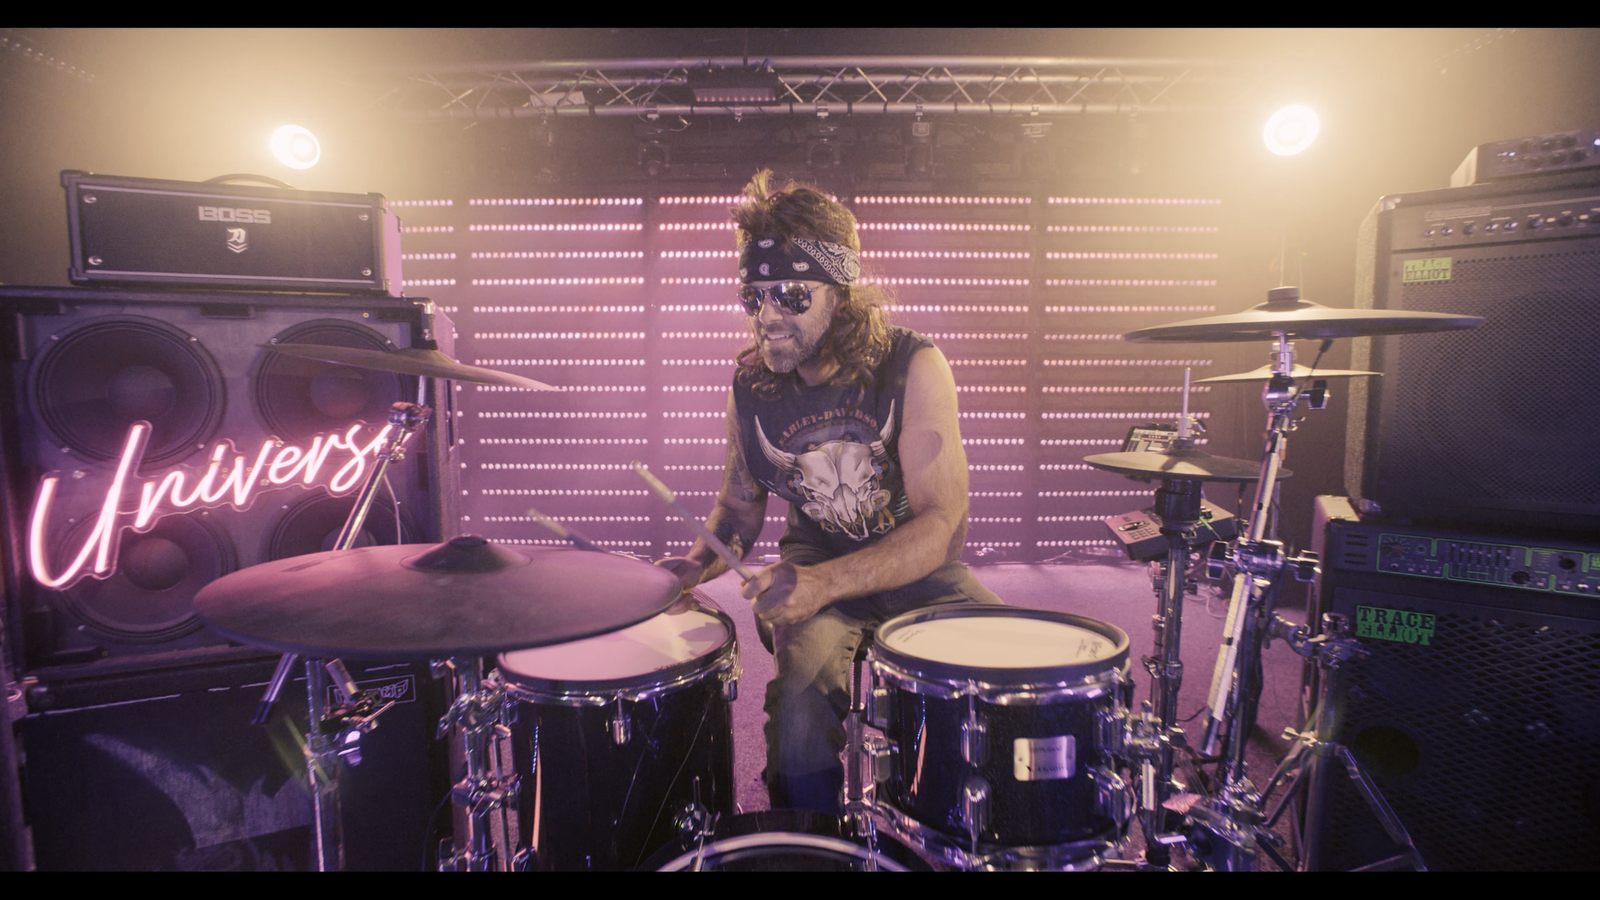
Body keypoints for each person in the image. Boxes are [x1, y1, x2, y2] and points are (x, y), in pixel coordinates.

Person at [657, 170, 1002, 814]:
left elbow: (941, 525)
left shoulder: (913, 366)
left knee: (1015, 674)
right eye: (754, 296)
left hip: (916, 565)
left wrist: (824, 584)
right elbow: (738, 507)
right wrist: (696, 563)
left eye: (791, 294)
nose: (768, 316)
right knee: (798, 714)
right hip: (814, 560)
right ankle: (810, 846)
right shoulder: (750, 387)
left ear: (840, 294)